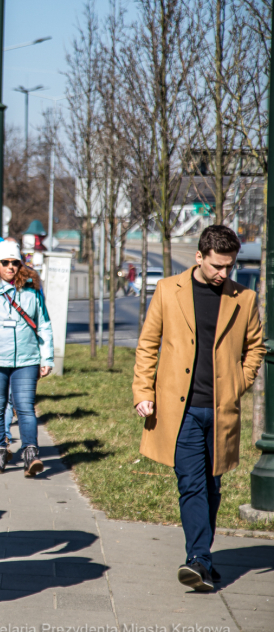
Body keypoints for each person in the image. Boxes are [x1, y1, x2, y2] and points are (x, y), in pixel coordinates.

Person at [133, 225, 263, 592]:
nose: (224, 273)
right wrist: (143, 390)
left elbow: (255, 347)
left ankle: (202, 557)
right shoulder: (167, 290)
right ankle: (199, 561)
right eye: (217, 266)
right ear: (199, 257)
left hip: (221, 411)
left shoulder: (244, 298)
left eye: (230, 266)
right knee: (191, 484)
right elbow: (148, 343)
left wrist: (240, 382)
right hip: (182, 411)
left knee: (213, 486)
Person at [0, 240, 54, 476]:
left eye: (15, 262)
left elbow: (44, 325)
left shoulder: (32, 291)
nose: (10, 267)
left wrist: (47, 358)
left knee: (24, 409)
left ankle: (31, 455)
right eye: (5, 262)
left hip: (27, 360)